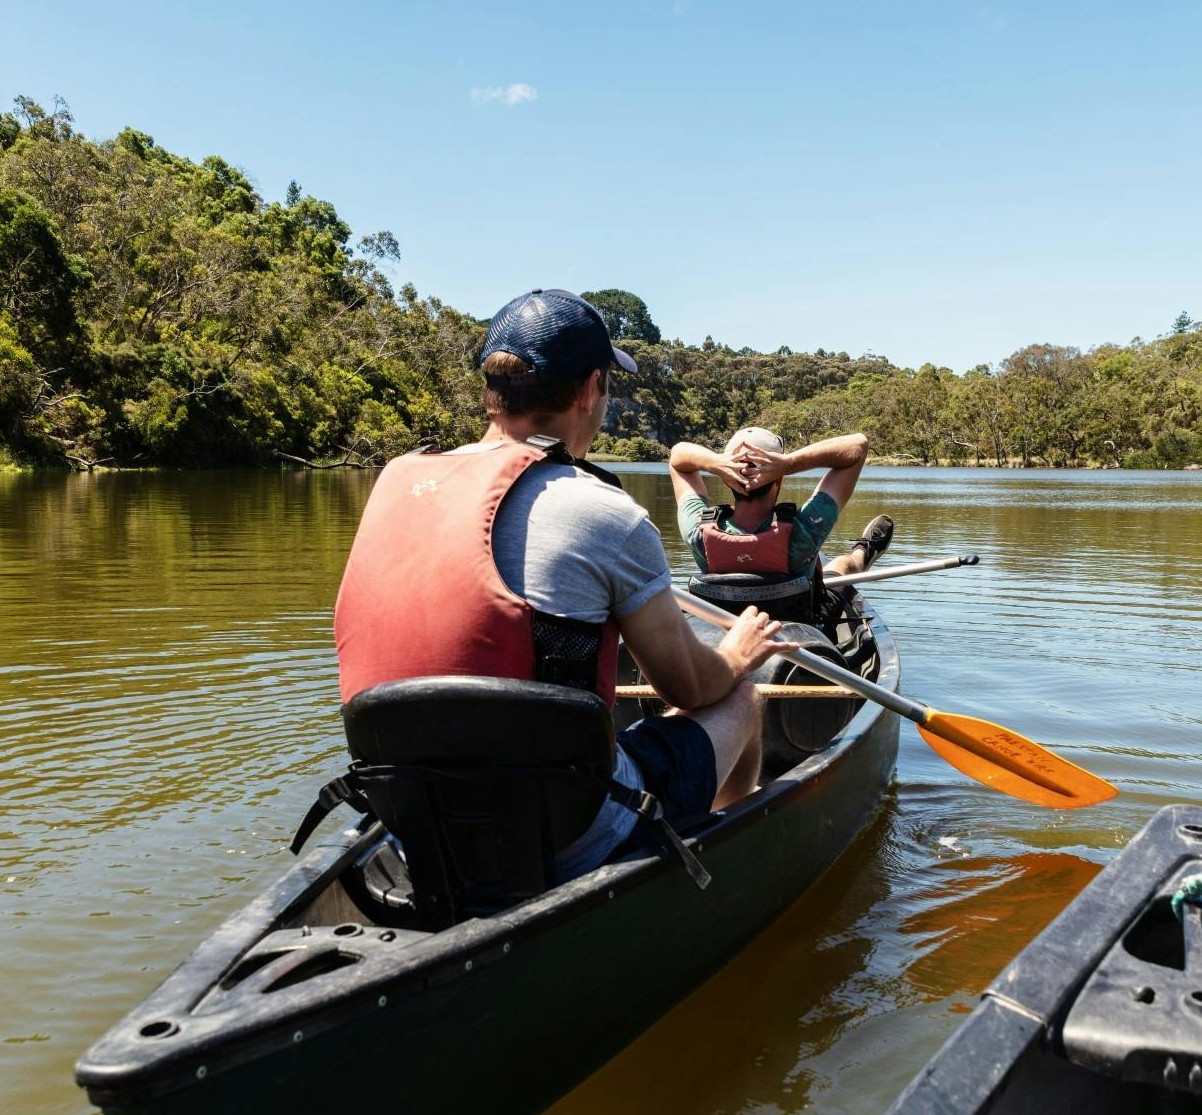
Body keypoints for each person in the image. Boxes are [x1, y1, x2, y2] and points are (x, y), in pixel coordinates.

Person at [333, 289, 792, 881]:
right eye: (605, 389)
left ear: (494, 392)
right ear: (587, 390)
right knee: (738, 698)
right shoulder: (606, 512)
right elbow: (691, 685)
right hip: (563, 828)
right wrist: (735, 655)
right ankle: (727, 858)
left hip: (407, 818)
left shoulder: (395, 481)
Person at [668, 428, 893, 580]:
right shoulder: (804, 533)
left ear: (726, 481)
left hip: (730, 624)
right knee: (841, 567)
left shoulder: (698, 534)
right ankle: (862, 554)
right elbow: (858, 446)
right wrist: (790, 463)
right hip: (797, 623)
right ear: (779, 479)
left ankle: (861, 553)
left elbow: (678, 458)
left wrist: (716, 463)